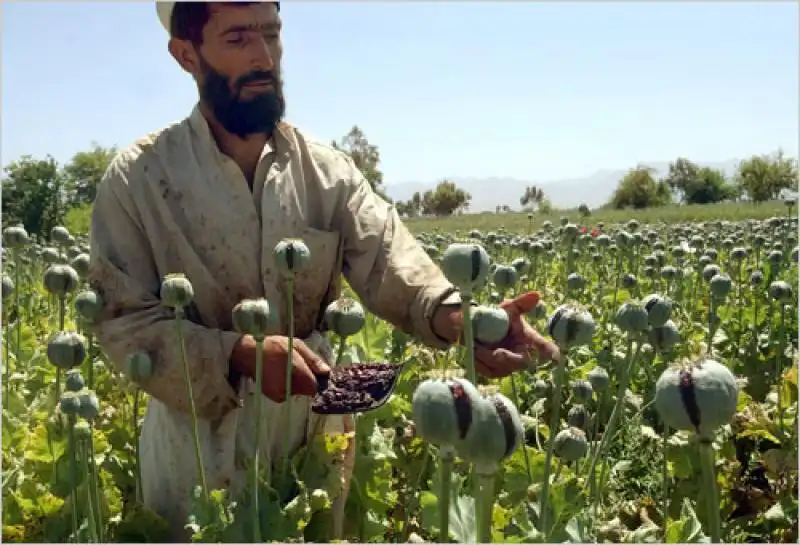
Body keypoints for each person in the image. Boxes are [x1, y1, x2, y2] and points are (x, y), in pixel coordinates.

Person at [88, 1, 559, 540]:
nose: (265, 56)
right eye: (239, 38)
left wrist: (458, 317)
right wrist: (235, 354)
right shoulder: (138, 179)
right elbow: (122, 322)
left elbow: (387, 256)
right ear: (185, 54)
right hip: (196, 436)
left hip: (316, 429)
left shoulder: (325, 169)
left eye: (271, 34)